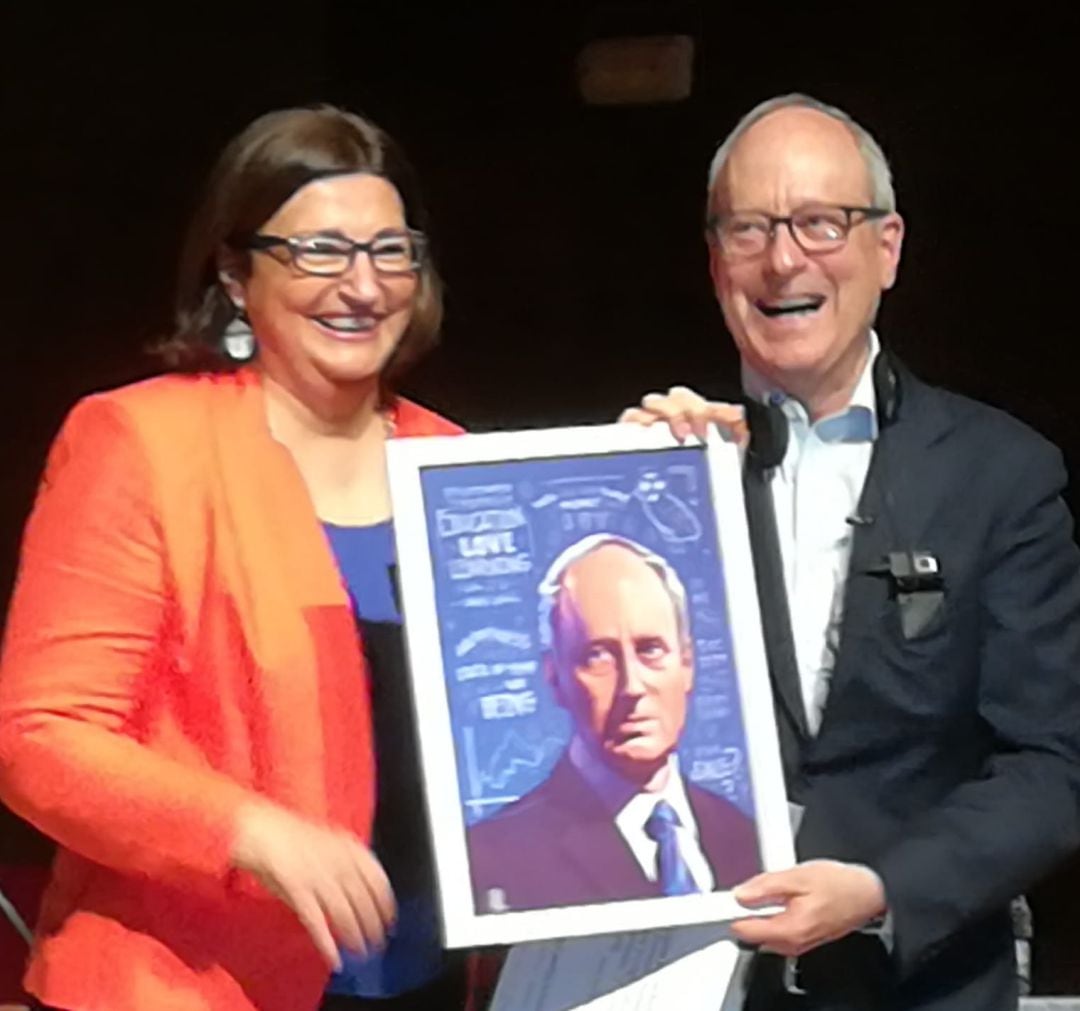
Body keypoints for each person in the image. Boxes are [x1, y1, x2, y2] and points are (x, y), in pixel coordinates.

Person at [0, 105, 476, 1011]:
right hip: (183, 986)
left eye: (389, 251)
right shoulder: (141, 441)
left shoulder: (457, 460)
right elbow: (39, 738)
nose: (362, 285)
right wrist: (249, 831)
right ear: (234, 270)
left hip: (424, 981)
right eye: (319, 252)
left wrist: (674, 463)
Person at [622, 94, 1080, 1009]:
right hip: (696, 985)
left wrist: (879, 889)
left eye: (822, 223)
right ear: (714, 262)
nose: (784, 258)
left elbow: (1054, 764)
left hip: (919, 982)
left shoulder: (999, 475)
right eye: (749, 228)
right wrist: (614, 489)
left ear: (889, 247)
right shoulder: (656, 472)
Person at [468, 534, 760, 913]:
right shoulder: (491, 861)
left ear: (687, 664)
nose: (632, 687)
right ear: (555, 678)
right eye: (597, 656)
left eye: (650, 650)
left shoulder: (747, 839)